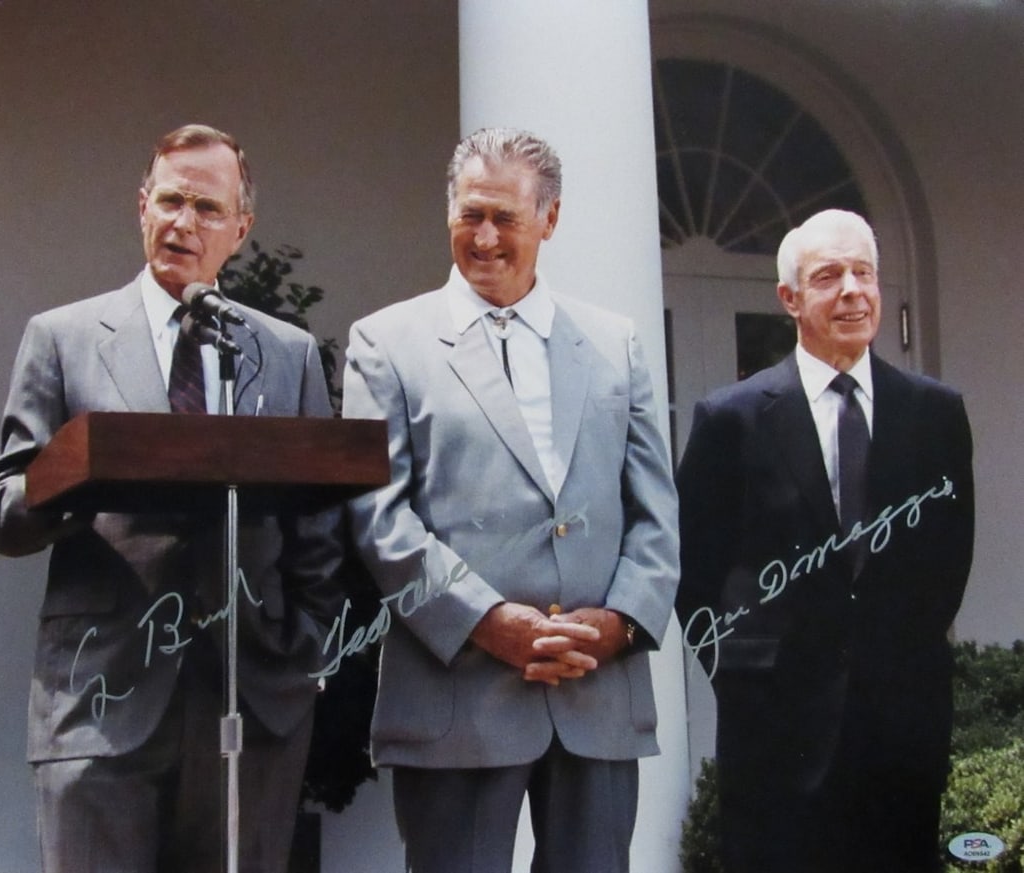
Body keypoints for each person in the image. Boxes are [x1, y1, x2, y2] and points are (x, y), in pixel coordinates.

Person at [0, 124, 343, 873]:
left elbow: (319, 530)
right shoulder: (63, 338)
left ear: (239, 229)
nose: (184, 222)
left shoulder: (284, 353)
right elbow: (1, 509)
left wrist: (300, 654)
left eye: (207, 208)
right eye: (170, 199)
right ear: (141, 205)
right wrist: (76, 474)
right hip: (101, 699)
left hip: (248, 701)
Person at [341, 127, 680, 873]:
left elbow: (657, 514)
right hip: (455, 695)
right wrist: (490, 624)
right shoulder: (386, 343)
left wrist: (618, 624)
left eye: (507, 218)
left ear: (550, 220)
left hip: (597, 695)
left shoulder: (616, 343)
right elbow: (379, 517)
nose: (485, 237)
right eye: (470, 214)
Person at [675, 208, 974, 873]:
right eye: (828, 275)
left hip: (902, 729)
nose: (851, 291)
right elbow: (693, 571)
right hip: (773, 735)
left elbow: (947, 563)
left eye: (863, 273)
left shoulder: (935, 415)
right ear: (790, 299)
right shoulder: (733, 419)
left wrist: (905, 671)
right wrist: (743, 678)